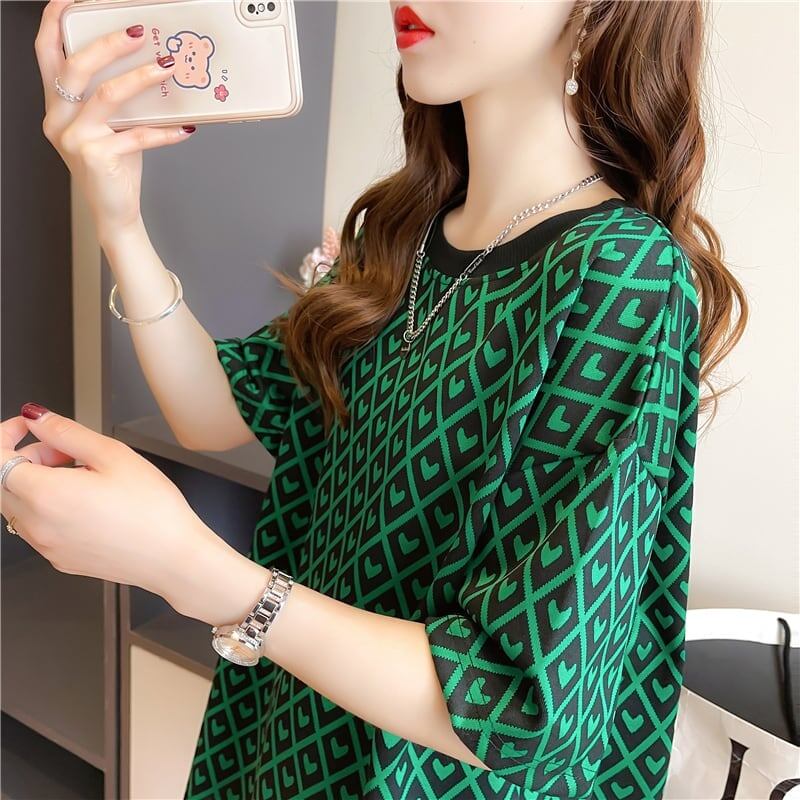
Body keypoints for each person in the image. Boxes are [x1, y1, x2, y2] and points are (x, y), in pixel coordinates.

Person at [1, 1, 748, 798]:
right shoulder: (404, 229)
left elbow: (524, 714)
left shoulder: (620, 275)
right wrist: (117, 216)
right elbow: (214, 412)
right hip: (287, 746)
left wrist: (184, 566)